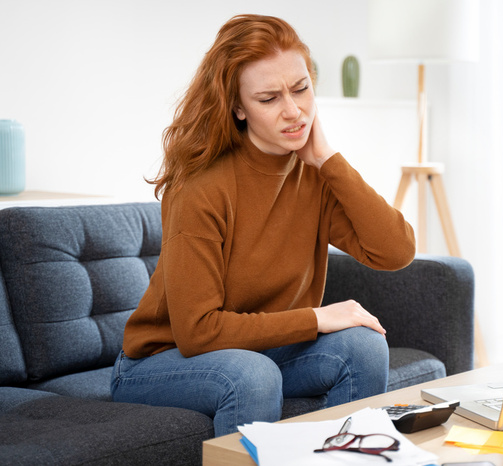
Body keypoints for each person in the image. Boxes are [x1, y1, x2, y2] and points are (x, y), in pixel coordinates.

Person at [110, 14, 415, 437]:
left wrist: (329, 161)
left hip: (260, 349)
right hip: (159, 363)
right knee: (252, 374)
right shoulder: (202, 188)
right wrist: (316, 318)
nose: (294, 112)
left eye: (301, 89)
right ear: (238, 107)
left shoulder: (313, 175)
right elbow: (198, 333)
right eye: (269, 98)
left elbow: (395, 251)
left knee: (363, 347)